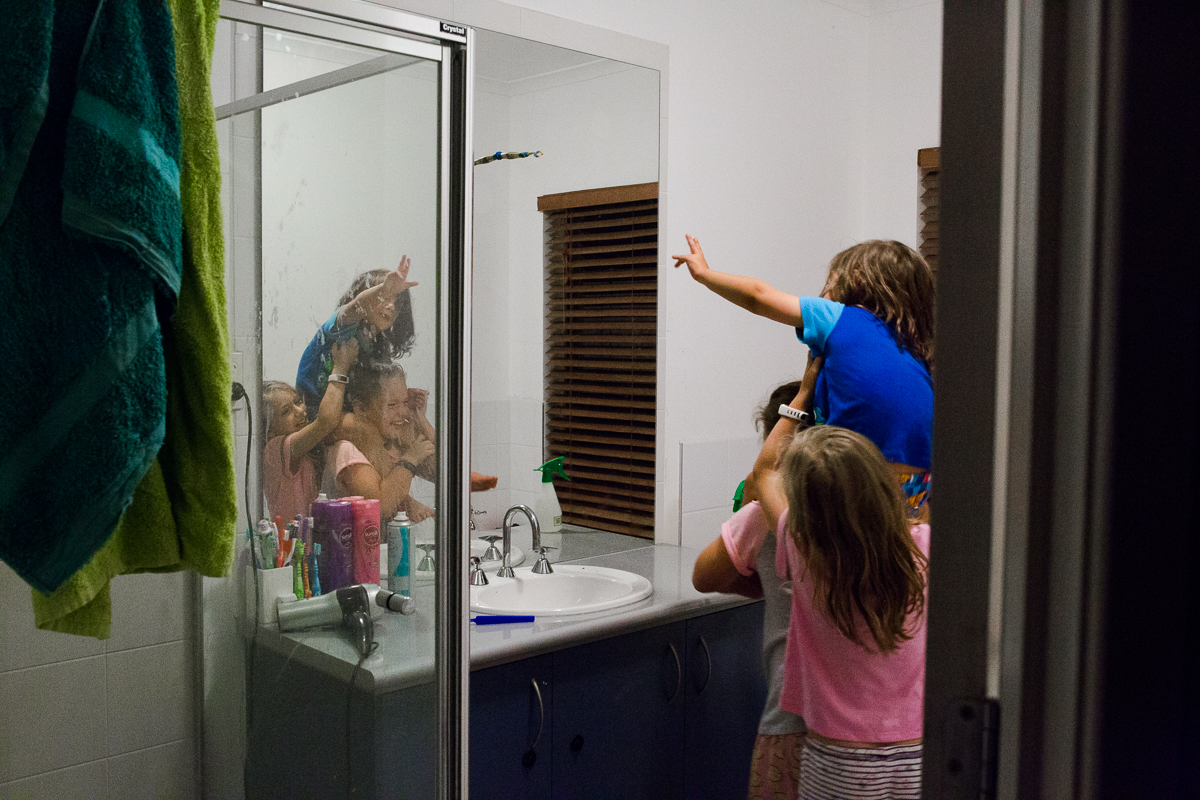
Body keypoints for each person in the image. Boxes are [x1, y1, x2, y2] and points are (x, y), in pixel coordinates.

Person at [673, 236, 935, 520]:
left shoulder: (838, 316)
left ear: (857, 278)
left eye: (833, 279)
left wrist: (705, 275)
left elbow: (758, 296)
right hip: (917, 484)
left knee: (771, 492)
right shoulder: (914, 342)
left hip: (857, 475)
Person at [754, 425, 929, 799]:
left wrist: (802, 393)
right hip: (918, 753)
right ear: (883, 487)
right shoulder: (924, 549)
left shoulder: (803, 552)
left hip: (840, 757)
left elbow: (764, 472)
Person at [691, 377, 809, 800]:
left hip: (786, 724)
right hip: (861, 737)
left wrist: (764, 584)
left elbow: (704, 576)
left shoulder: (762, 516)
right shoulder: (856, 516)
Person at [295, 259, 418, 420]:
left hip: (342, 409)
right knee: (362, 428)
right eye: (385, 298)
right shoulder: (343, 328)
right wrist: (383, 288)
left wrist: (402, 399)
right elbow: (356, 306)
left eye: (397, 302)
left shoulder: (378, 344)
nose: (391, 306)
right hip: (311, 410)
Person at [323, 363, 435, 521]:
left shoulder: (393, 442)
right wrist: (410, 460)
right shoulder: (347, 450)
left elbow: (445, 473)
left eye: (404, 403)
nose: (402, 412)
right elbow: (379, 508)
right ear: (361, 408)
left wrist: (421, 420)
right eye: (391, 405)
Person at [263, 340, 358, 523]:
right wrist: (340, 366)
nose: (300, 411)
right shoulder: (274, 450)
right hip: (289, 548)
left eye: (298, 401)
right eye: (286, 411)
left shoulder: (304, 451)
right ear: (270, 431)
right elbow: (326, 422)